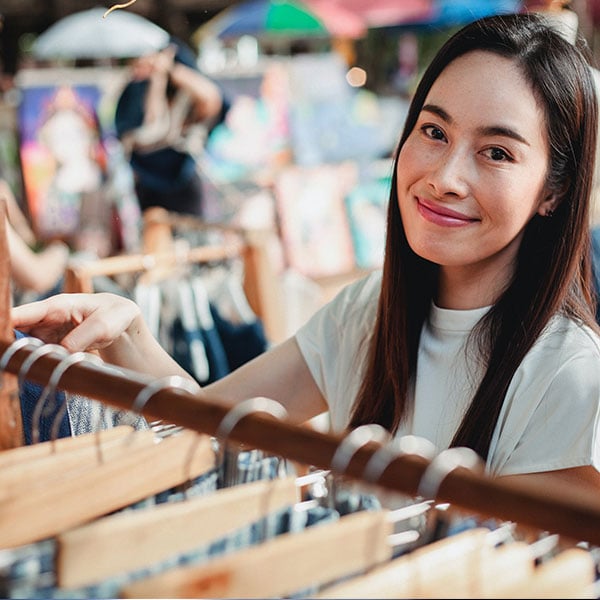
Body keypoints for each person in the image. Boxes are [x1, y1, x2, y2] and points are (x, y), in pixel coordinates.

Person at [12, 13, 600, 494]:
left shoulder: (571, 378)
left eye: (497, 152)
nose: (445, 176)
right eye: (434, 132)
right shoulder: (370, 310)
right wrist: (130, 333)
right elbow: (211, 427)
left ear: (554, 190)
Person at [114, 37, 228, 217]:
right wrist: (156, 77)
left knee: (191, 237)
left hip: (183, 179)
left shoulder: (187, 92)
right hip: (148, 181)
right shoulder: (137, 89)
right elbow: (151, 122)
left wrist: (170, 69)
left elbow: (211, 98)